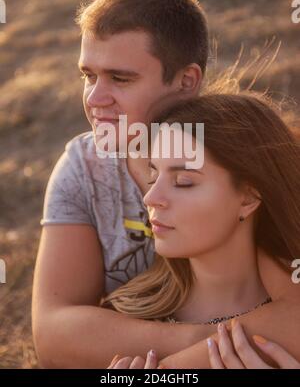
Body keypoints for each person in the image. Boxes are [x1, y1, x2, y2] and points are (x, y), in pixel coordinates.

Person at [32, 0, 300, 368]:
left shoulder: (240, 155)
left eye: (120, 78)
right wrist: (216, 344)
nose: (94, 98)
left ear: (186, 81)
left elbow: (294, 317)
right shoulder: (82, 167)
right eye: (88, 76)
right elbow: (54, 334)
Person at [103, 93, 300, 369]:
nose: (150, 197)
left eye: (183, 181)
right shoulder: (123, 317)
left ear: (248, 198)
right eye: (153, 176)